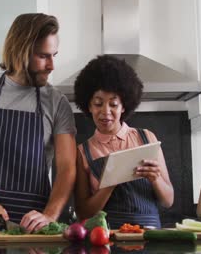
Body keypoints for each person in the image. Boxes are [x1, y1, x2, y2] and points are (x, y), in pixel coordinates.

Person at [0, 13, 77, 246]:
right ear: (21, 51)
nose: (52, 65)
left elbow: (67, 168)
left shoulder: (56, 102)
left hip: (34, 229)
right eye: (43, 56)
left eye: (54, 56)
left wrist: (49, 216)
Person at [73, 55, 174, 229]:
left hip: (150, 236)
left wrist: (156, 179)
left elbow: (168, 201)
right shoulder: (83, 152)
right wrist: (110, 183)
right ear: (88, 106)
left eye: (113, 104)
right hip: (107, 238)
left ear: (124, 106)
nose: (106, 112)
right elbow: (83, 212)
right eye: (98, 104)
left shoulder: (146, 138)